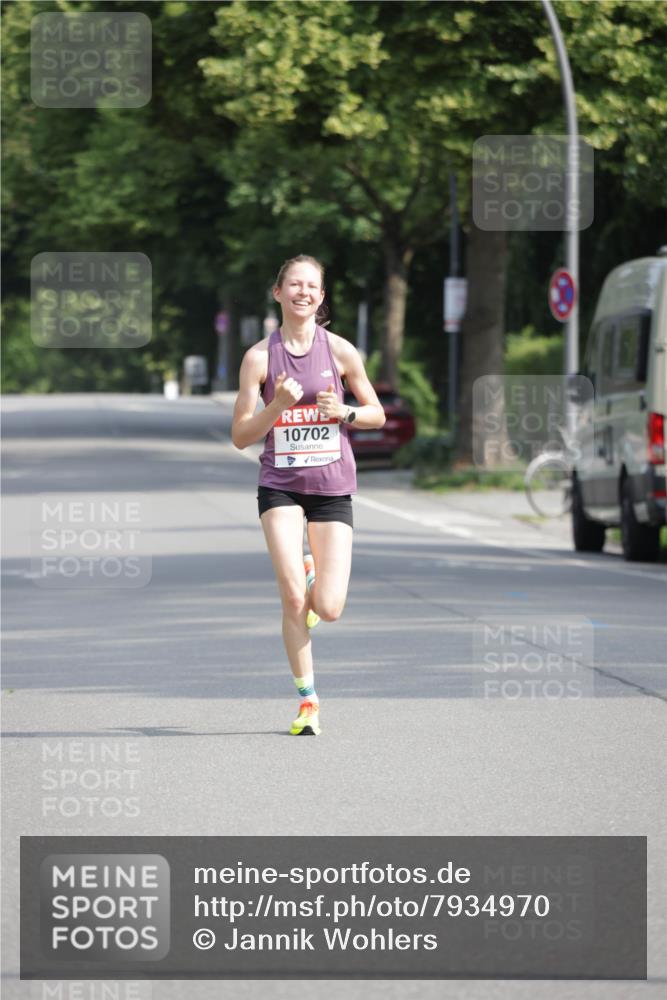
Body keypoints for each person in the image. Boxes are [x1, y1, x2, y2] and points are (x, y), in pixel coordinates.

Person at [231, 254, 386, 735]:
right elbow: (240, 435)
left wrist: (345, 412)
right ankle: (308, 701)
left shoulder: (340, 351)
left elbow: (376, 412)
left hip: (332, 486)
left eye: (312, 286)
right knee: (293, 597)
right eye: (293, 284)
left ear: (321, 298)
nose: (302, 292)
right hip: (279, 484)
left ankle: (312, 568)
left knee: (330, 608)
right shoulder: (259, 358)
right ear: (277, 293)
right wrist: (276, 404)